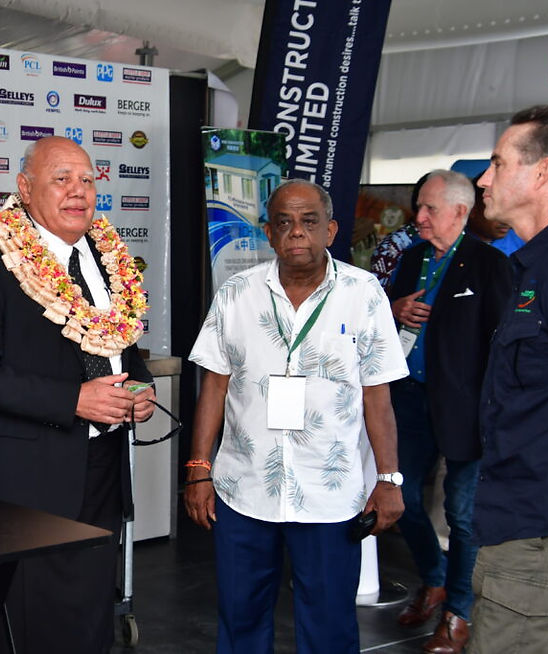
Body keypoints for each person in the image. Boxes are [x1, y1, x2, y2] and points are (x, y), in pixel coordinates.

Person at [0, 135, 156, 654]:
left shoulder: (106, 256)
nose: (78, 191)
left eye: (87, 180)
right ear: (25, 187)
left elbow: (120, 345)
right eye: (61, 179)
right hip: (27, 477)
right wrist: (72, 400)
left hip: (103, 466)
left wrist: (139, 386)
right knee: (29, 618)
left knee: (90, 613)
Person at [186, 179, 408, 654]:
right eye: (284, 222)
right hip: (244, 490)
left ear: (331, 229)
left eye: (309, 221)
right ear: (268, 233)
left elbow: (378, 396)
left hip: (329, 494)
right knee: (240, 619)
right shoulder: (237, 293)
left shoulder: (364, 293)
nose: (297, 232)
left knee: (329, 626)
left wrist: (389, 479)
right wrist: (198, 468)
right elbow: (215, 385)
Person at [387, 170, 510, 653]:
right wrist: (395, 308)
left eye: (429, 208)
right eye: (418, 206)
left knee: (461, 514)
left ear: (460, 211)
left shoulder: (489, 264)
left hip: (466, 407)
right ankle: (433, 579)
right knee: (402, 500)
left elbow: (503, 342)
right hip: (410, 400)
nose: (418, 217)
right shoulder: (412, 258)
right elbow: (381, 322)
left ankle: (458, 613)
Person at [469, 104, 548, 653]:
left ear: (542, 172)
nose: (484, 180)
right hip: (519, 533)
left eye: (497, 163)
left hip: (545, 542)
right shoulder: (534, 268)